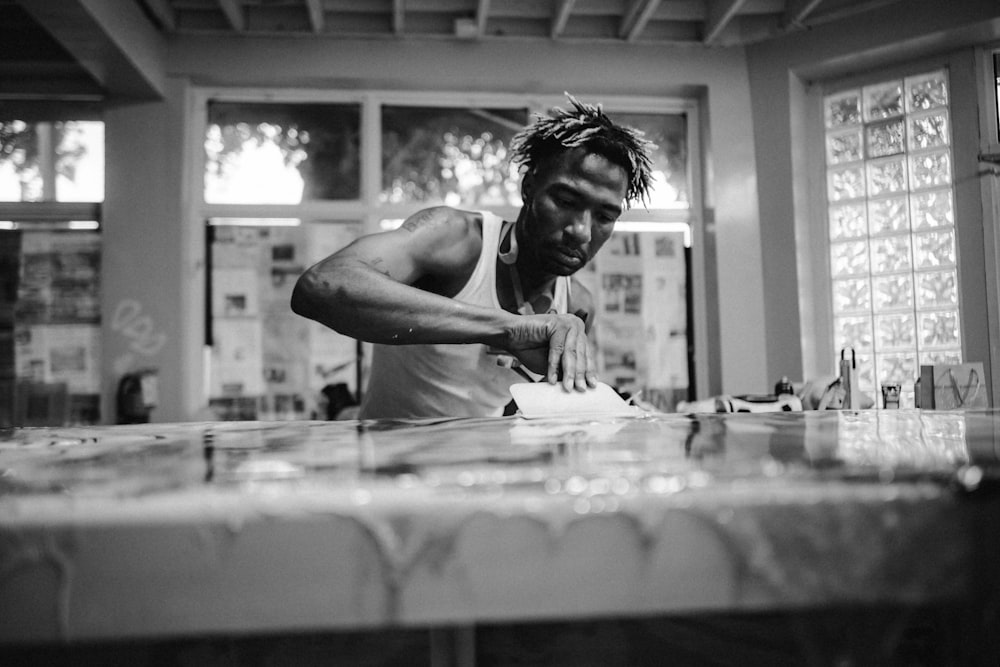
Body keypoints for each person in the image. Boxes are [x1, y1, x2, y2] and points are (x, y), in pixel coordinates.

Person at [291, 95, 654, 419]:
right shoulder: (455, 239)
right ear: (529, 187)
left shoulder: (576, 305)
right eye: (566, 201)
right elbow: (322, 286)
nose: (582, 232)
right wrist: (507, 328)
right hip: (391, 477)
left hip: (480, 481)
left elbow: (520, 411)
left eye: (605, 216)